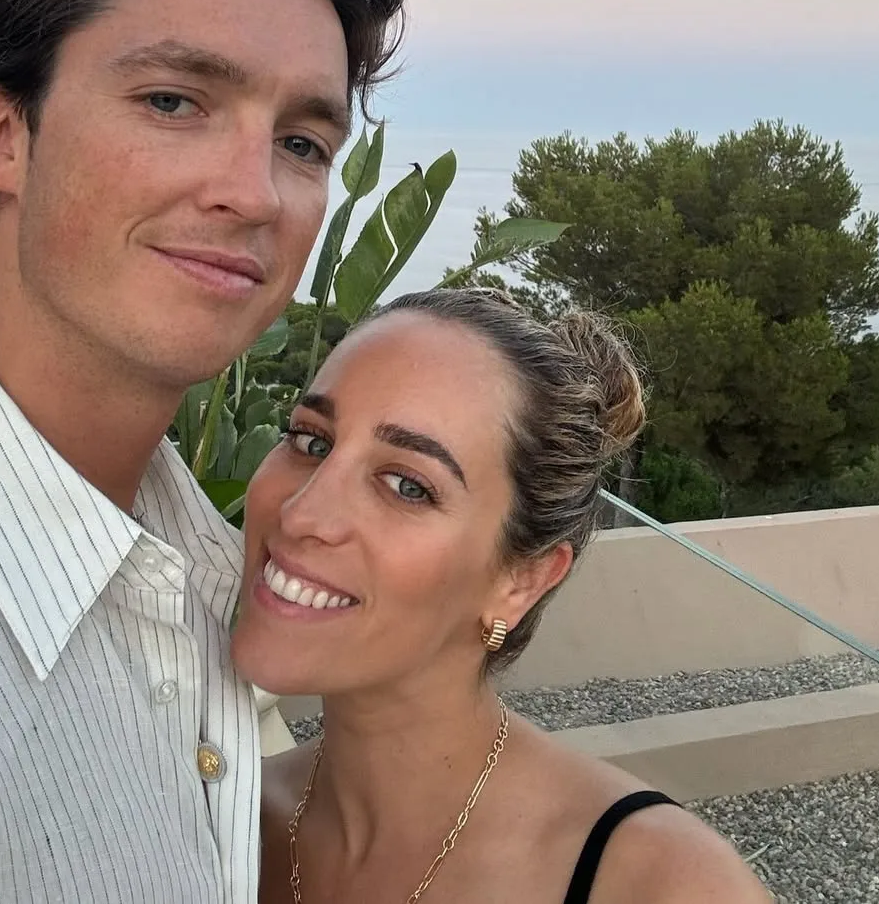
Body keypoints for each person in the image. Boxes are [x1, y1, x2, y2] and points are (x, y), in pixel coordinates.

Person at [0, 0, 405, 904]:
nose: (255, 193)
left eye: (303, 143)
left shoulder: (209, 572)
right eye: (172, 101)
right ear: (0, 132)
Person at [230, 288, 772, 904]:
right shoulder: (218, 818)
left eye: (407, 485)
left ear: (523, 580)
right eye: (312, 442)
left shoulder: (660, 885)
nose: (302, 514)